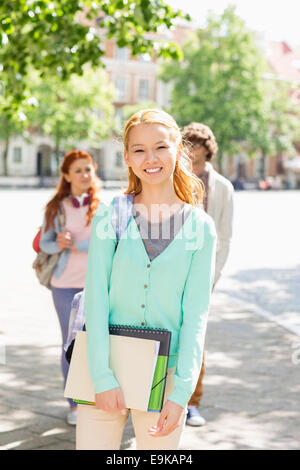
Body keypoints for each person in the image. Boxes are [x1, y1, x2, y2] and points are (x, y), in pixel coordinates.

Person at [76, 109, 217, 450]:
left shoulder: (200, 227)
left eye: (161, 147)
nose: (150, 158)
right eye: (138, 149)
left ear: (179, 151)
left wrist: (182, 393)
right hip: (102, 366)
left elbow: (196, 316)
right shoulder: (111, 216)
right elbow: (95, 300)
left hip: (166, 376)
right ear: (126, 157)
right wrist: (101, 376)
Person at [40, 150, 100, 425]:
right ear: (66, 175)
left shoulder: (103, 206)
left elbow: (112, 242)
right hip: (64, 285)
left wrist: (78, 245)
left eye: (88, 169)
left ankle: (99, 397)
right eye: (78, 170)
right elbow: (45, 244)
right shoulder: (56, 207)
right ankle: (74, 405)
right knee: (71, 343)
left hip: (97, 284)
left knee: (98, 342)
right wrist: (60, 243)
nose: (85, 175)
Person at [181, 122, 234, 427]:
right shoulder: (177, 179)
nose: (193, 156)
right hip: (172, 269)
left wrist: (212, 277)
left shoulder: (223, 187)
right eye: (188, 147)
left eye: (198, 149)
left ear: (208, 151)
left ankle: (192, 402)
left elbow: (225, 237)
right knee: (165, 334)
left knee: (195, 336)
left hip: (204, 273)